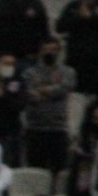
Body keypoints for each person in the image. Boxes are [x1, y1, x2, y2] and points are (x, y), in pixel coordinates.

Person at [21, 38, 75, 179]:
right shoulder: (30, 73)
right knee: (35, 171)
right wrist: (52, 92)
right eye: (46, 49)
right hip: (35, 128)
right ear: (40, 51)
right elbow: (28, 93)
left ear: (59, 51)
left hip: (58, 128)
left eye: (53, 49)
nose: (49, 52)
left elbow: (65, 88)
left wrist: (43, 91)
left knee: (59, 170)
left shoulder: (67, 72)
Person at [54, 0, 98, 98]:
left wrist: (90, 18)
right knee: (74, 97)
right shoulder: (72, 5)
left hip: (97, 62)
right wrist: (78, 17)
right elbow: (59, 27)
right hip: (75, 60)